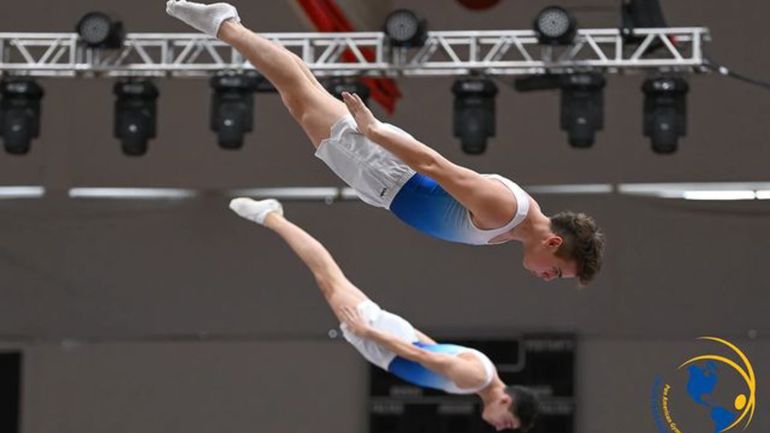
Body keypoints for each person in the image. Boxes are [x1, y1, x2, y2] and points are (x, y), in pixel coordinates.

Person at [165, 0, 605, 285]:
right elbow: (435, 165)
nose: (547, 278)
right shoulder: (504, 210)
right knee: (298, 94)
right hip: (388, 169)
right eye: (557, 273)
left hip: (386, 185)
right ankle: (225, 25)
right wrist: (376, 132)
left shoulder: (515, 228)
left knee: (300, 95)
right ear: (552, 243)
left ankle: (228, 25)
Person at [228, 197, 539, 432]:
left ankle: (272, 217)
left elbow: (432, 348)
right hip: (387, 341)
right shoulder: (475, 377)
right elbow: (419, 355)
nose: (500, 428)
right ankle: (271, 216)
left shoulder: (482, 375)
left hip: (391, 343)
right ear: (506, 401)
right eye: (508, 423)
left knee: (329, 278)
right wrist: (369, 332)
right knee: (327, 276)